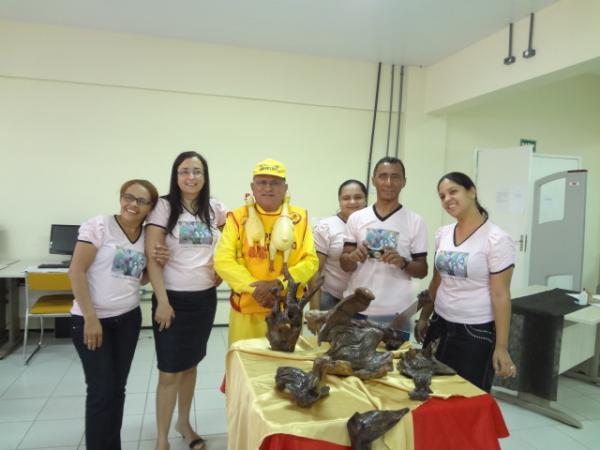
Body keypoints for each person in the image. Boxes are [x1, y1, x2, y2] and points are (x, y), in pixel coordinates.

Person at [69, 179, 161, 450]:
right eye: (128, 197)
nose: (133, 204)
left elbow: (138, 277)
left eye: (141, 201)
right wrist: (91, 318)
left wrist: (159, 263)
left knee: (117, 389)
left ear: (150, 207)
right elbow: (76, 271)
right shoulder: (99, 226)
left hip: (128, 320)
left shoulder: (147, 236)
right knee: (101, 391)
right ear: (121, 198)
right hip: (92, 321)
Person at [145, 151, 227, 450]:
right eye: (184, 171)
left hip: (204, 300)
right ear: (175, 175)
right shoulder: (163, 207)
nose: (191, 177)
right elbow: (152, 258)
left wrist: (221, 269)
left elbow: (228, 245)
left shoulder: (215, 208)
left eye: (197, 171)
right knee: (169, 371)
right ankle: (162, 438)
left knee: (190, 366)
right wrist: (162, 301)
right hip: (171, 300)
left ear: (205, 176)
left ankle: (185, 423)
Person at [414, 171, 516, 392]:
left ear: (472, 191)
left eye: (453, 191)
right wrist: (424, 317)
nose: (447, 199)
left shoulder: (496, 240)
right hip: (440, 326)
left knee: (467, 397)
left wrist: (502, 346)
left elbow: (501, 295)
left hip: (475, 333)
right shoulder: (443, 234)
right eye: (442, 196)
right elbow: (436, 280)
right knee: (430, 391)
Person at [214, 158, 319, 346]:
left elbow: (310, 261)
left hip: (287, 310)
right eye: (262, 182)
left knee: (284, 367)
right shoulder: (237, 217)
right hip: (247, 307)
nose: (268, 188)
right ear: (252, 187)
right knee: (244, 364)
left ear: (285, 188)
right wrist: (255, 288)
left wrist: (280, 283)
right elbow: (223, 260)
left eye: (275, 183)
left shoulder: (300, 218)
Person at [340, 156, 428, 334]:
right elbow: (345, 263)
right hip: (357, 308)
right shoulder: (357, 218)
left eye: (395, 177)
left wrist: (403, 262)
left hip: (396, 314)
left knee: (393, 362)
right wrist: (353, 256)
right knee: (348, 361)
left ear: (404, 182)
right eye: (383, 176)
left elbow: (422, 270)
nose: (389, 182)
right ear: (374, 180)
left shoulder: (415, 221)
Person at [311, 179, 367, 310]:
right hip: (330, 298)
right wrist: (314, 309)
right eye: (346, 198)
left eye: (358, 197)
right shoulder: (325, 227)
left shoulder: (374, 225)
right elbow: (315, 271)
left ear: (365, 199)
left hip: (364, 301)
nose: (352, 202)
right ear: (339, 201)